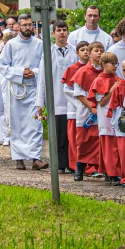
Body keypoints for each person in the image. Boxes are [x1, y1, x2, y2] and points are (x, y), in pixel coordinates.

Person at [0, 13, 47, 170]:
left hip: (34, 88)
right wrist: (20, 72)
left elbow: (45, 64)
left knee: (35, 123)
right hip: (17, 90)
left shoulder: (39, 44)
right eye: (24, 25)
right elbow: (2, 65)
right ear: (18, 26)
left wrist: (35, 72)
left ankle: (36, 158)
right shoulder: (11, 44)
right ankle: (19, 158)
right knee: (17, 124)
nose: (27, 27)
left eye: (30, 24)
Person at [72, 42, 106, 180]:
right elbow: (79, 93)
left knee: (101, 141)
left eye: (101, 50)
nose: (99, 53)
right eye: (96, 50)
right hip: (86, 111)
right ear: (90, 53)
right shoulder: (82, 71)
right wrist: (91, 107)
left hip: (102, 110)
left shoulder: (106, 71)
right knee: (84, 141)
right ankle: (80, 166)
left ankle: (105, 170)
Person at [47, 20, 75, 173]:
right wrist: (41, 102)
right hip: (56, 97)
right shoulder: (48, 52)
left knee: (71, 133)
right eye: (59, 30)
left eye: (64, 30)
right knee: (59, 133)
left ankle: (71, 163)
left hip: (72, 99)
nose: (62, 33)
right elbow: (43, 78)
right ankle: (60, 163)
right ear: (53, 33)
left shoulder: (74, 51)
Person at [91, 52, 122, 185]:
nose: (115, 66)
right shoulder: (99, 80)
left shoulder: (118, 78)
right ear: (104, 64)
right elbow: (102, 102)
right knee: (109, 146)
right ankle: (112, 173)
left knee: (116, 145)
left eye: (116, 64)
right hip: (105, 116)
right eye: (112, 64)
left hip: (116, 114)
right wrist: (112, 90)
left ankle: (112, 171)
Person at [62, 40, 91, 176]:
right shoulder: (72, 69)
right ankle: (75, 164)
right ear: (77, 52)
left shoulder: (95, 68)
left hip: (91, 109)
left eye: (87, 50)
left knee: (90, 139)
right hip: (75, 109)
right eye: (82, 50)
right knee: (75, 139)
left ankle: (91, 166)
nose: (85, 52)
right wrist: (80, 102)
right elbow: (67, 89)